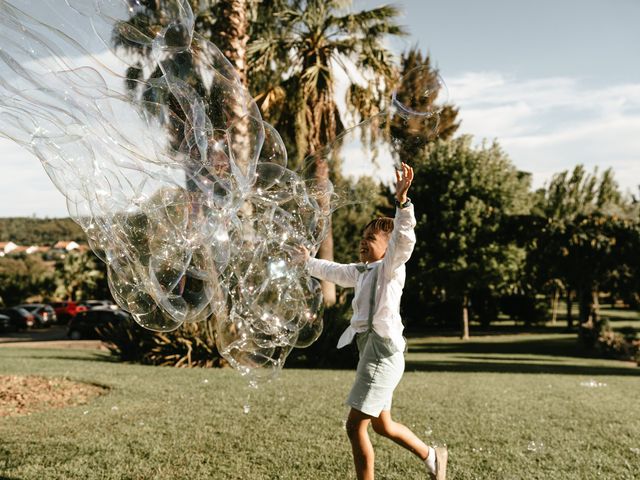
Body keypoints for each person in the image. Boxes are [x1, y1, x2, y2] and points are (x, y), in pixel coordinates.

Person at [296, 163, 447, 480]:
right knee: (383, 425)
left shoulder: (389, 267)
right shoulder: (361, 271)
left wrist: (403, 203)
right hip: (372, 351)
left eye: (372, 238)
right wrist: (306, 262)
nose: (364, 242)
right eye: (362, 237)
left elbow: (403, 239)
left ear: (387, 247)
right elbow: (333, 271)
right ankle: (432, 457)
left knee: (355, 427)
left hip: (382, 354)